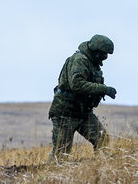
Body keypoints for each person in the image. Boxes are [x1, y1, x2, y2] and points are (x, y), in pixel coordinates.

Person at [47, 34, 117, 163]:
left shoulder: (93, 64)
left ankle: (102, 171)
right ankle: (49, 177)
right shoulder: (79, 60)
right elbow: (77, 84)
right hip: (65, 113)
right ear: (96, 51)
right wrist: (104, 89)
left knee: (102, 139)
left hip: (84, 113)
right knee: (61, 152)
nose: (106, 57)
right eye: (104, 53)